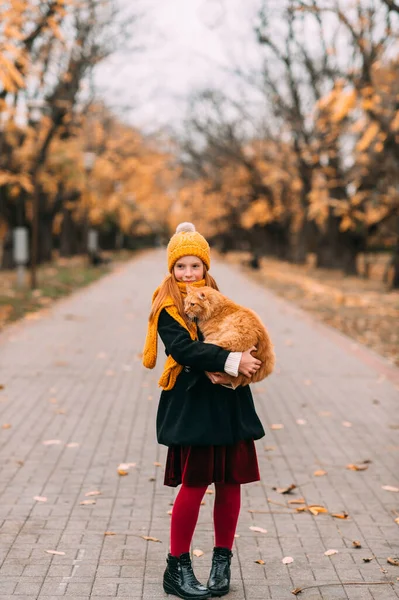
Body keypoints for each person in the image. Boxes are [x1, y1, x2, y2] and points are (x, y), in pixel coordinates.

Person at [143, 222, 265, 600]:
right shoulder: (167, 306)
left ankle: (221, 562)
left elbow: (242, 331)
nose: (189, 273)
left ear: (206, 267)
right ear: (171, 269)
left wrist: (246, 358)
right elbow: (183, 351)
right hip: (194, 405)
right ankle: (176, 567)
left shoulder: (218, 298)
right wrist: (232, 361)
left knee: (230, 484)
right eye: (181, 267)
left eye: (195, 266)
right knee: (194, 486)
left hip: (228, 403)